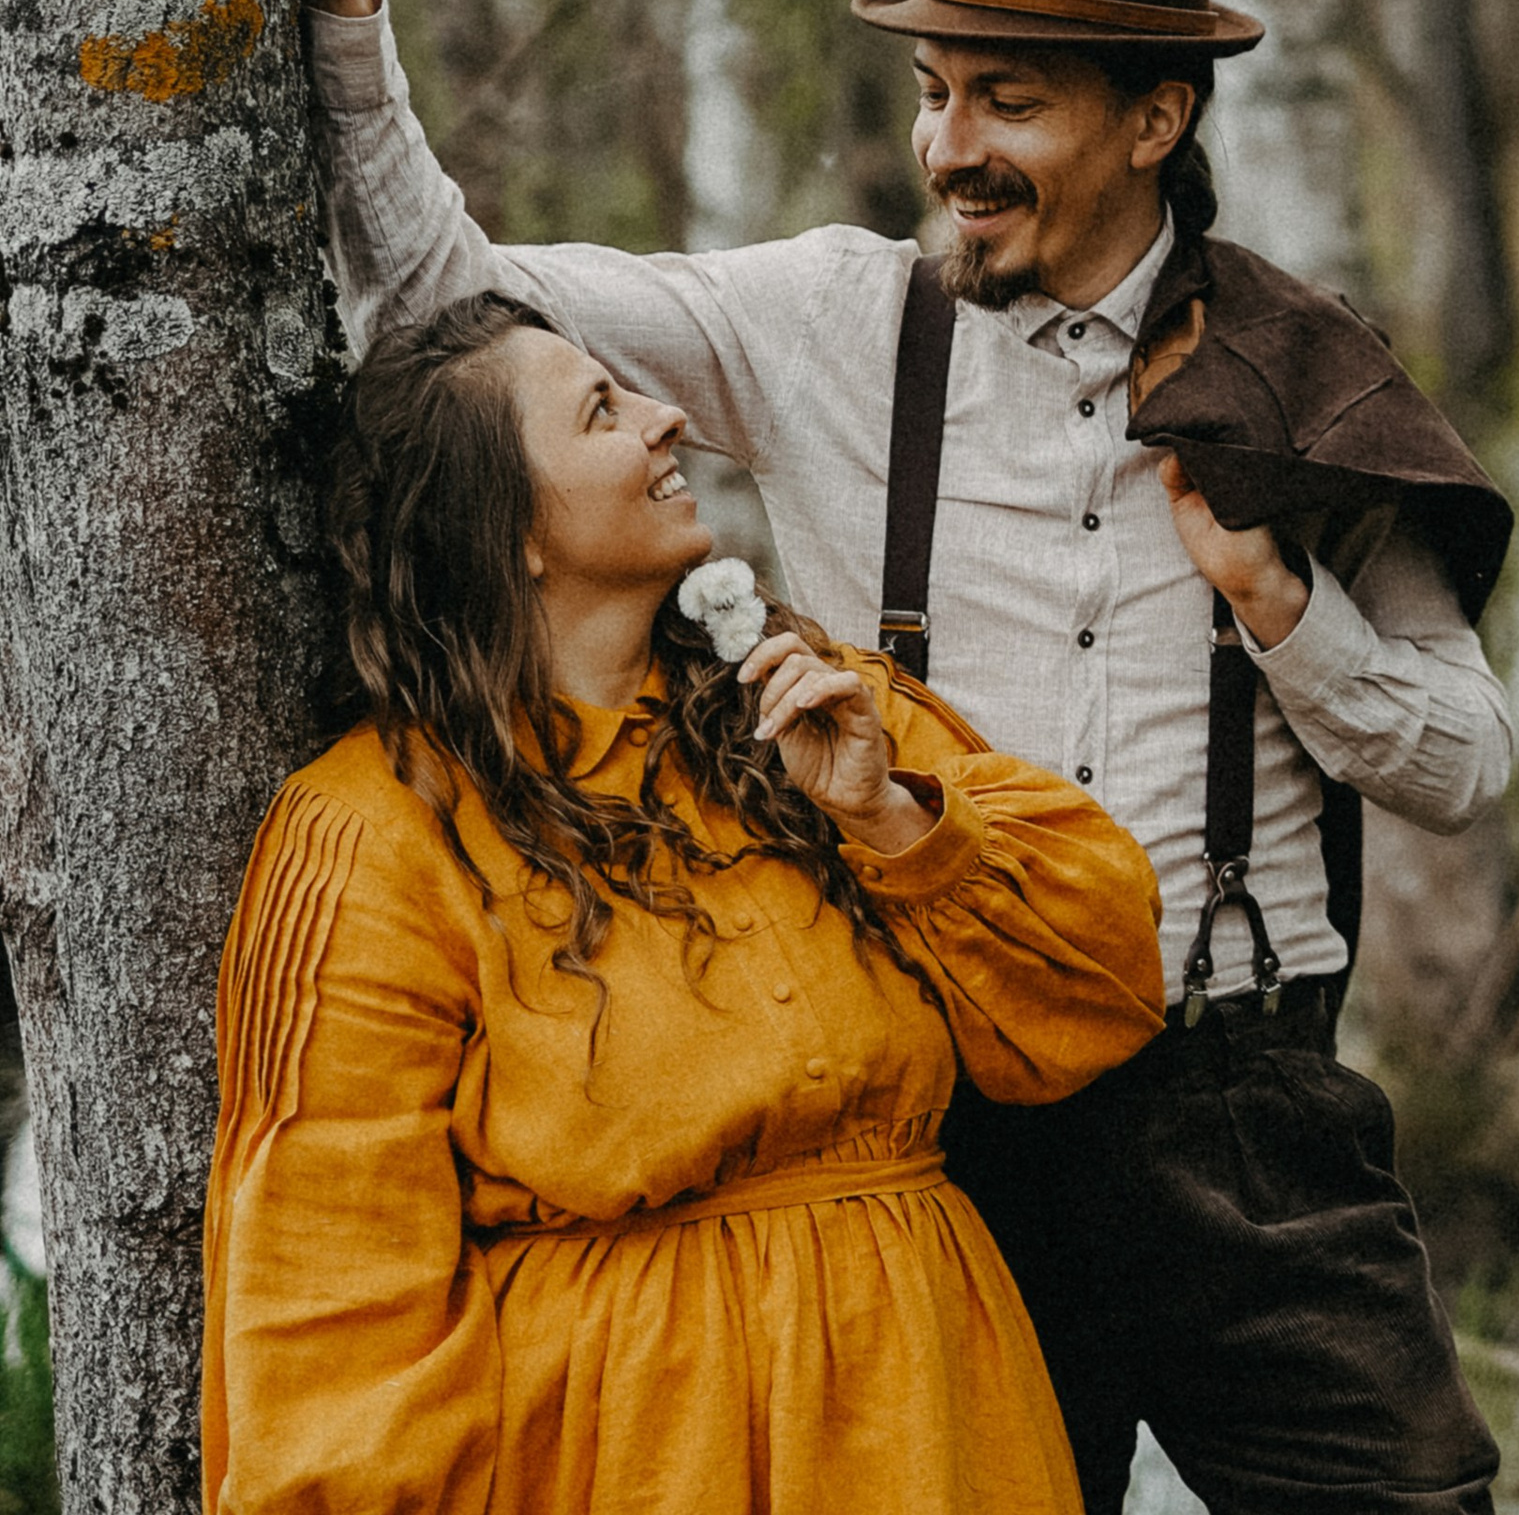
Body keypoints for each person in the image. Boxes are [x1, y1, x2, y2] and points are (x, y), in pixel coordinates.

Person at [272, 0, 1510, 1515]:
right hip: (951, 1113)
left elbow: (1466, 765)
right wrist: (340, 9)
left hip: (1254, 1121)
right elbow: (453, 310)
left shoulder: (1308, 384)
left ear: (1155, 117)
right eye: (936, 94)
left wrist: (1281, 603)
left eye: (1005, 100)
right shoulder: (834, 323)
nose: (947, 149)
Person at [203, 288, 1165, 1515]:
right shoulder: (379, 832)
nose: (666, 419)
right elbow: (330, 1297)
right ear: (510, 530)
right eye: (603, 410)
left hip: (932, 1417)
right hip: (643, 1447)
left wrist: (887, 816)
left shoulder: (806, 700)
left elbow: (1102, 985)